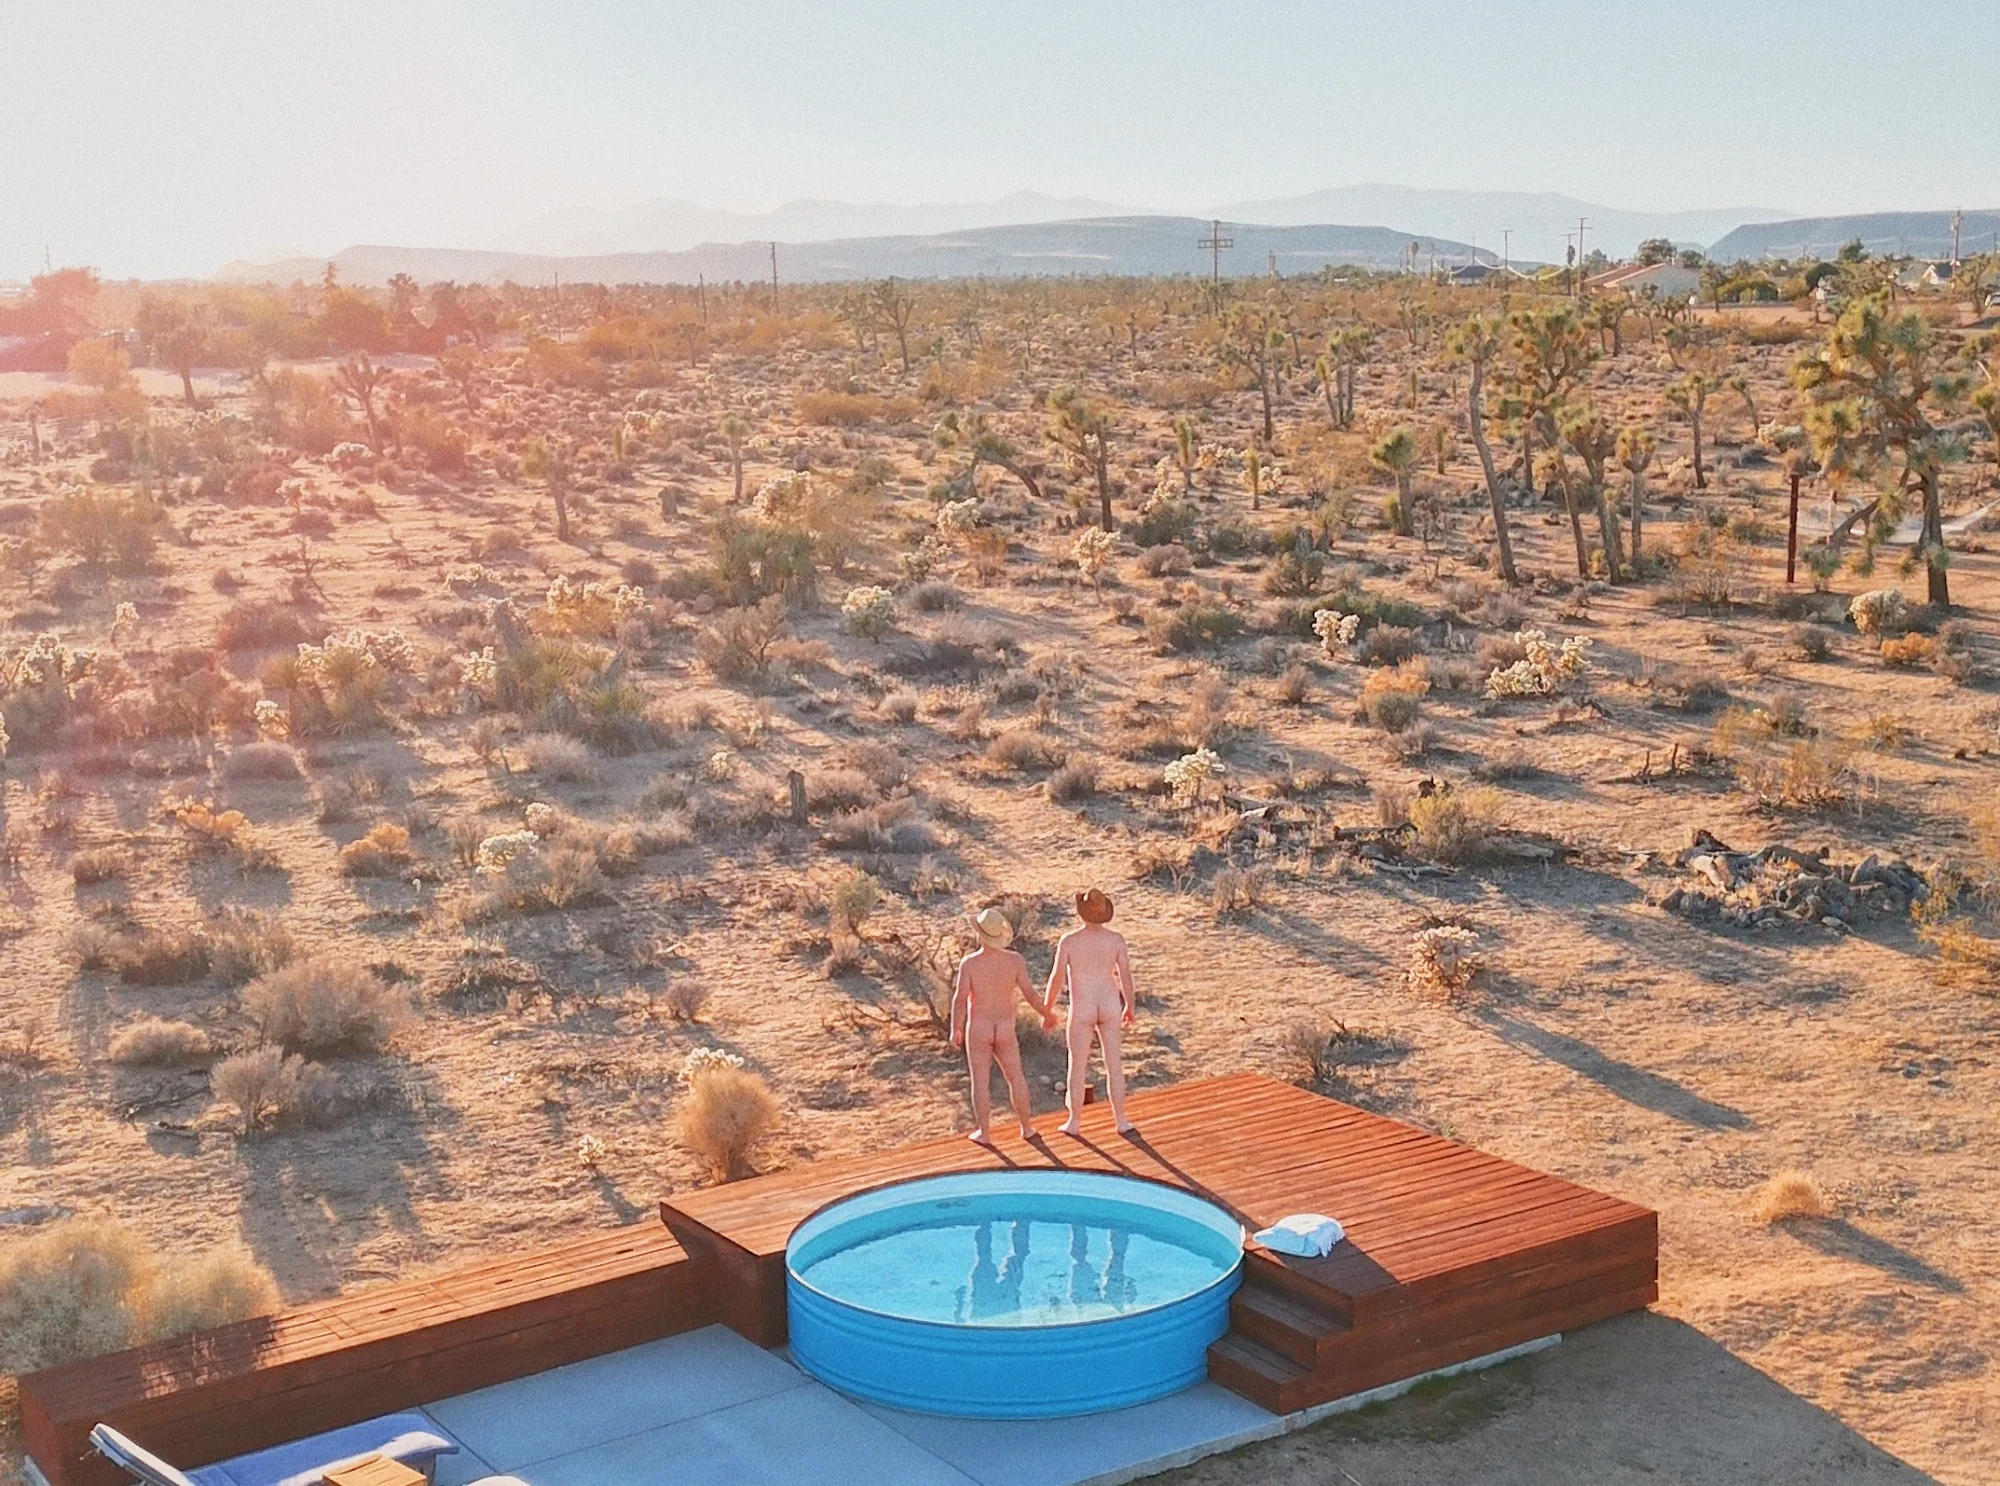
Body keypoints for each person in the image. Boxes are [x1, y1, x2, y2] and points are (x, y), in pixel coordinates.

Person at [951, 907, 1056, 1143]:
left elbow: (960, 998)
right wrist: (1046, 1014)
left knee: (980, 1081)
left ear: (980, 934)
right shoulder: (1015, 961)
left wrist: (954, 1028)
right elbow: (1030, 993)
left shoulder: (970, 964)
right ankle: (1026, 1127)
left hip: (979, 1027)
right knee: (1016, 1076)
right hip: (1005, 1026)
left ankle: (985, 1133)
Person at [1045, 888, 1136, 1136]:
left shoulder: (1070, 941)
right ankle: (1120, 1120)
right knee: (1114, 1063)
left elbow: (1056, 977)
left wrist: (1047, 1009)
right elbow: (1125, 975)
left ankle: (1074, 1121)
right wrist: (1130, 1005)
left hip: (1083, 1004)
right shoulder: (1115, 939)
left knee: (1077, 1065)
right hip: (1108, 1002)